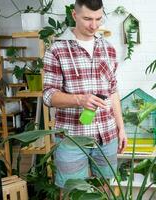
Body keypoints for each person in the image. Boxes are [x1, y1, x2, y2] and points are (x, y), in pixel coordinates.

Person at [43, 0, 127, 189]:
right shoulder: (57, 50)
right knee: (72, 191)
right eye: (87, 19)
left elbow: (113, 91)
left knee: (106, 190)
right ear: (74, 15)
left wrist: (121, 128)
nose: (94, 25)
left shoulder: (109, 49)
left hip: (107, 134)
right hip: (72, 137)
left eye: (98, 19)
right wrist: (79, 99)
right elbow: (49, 95)